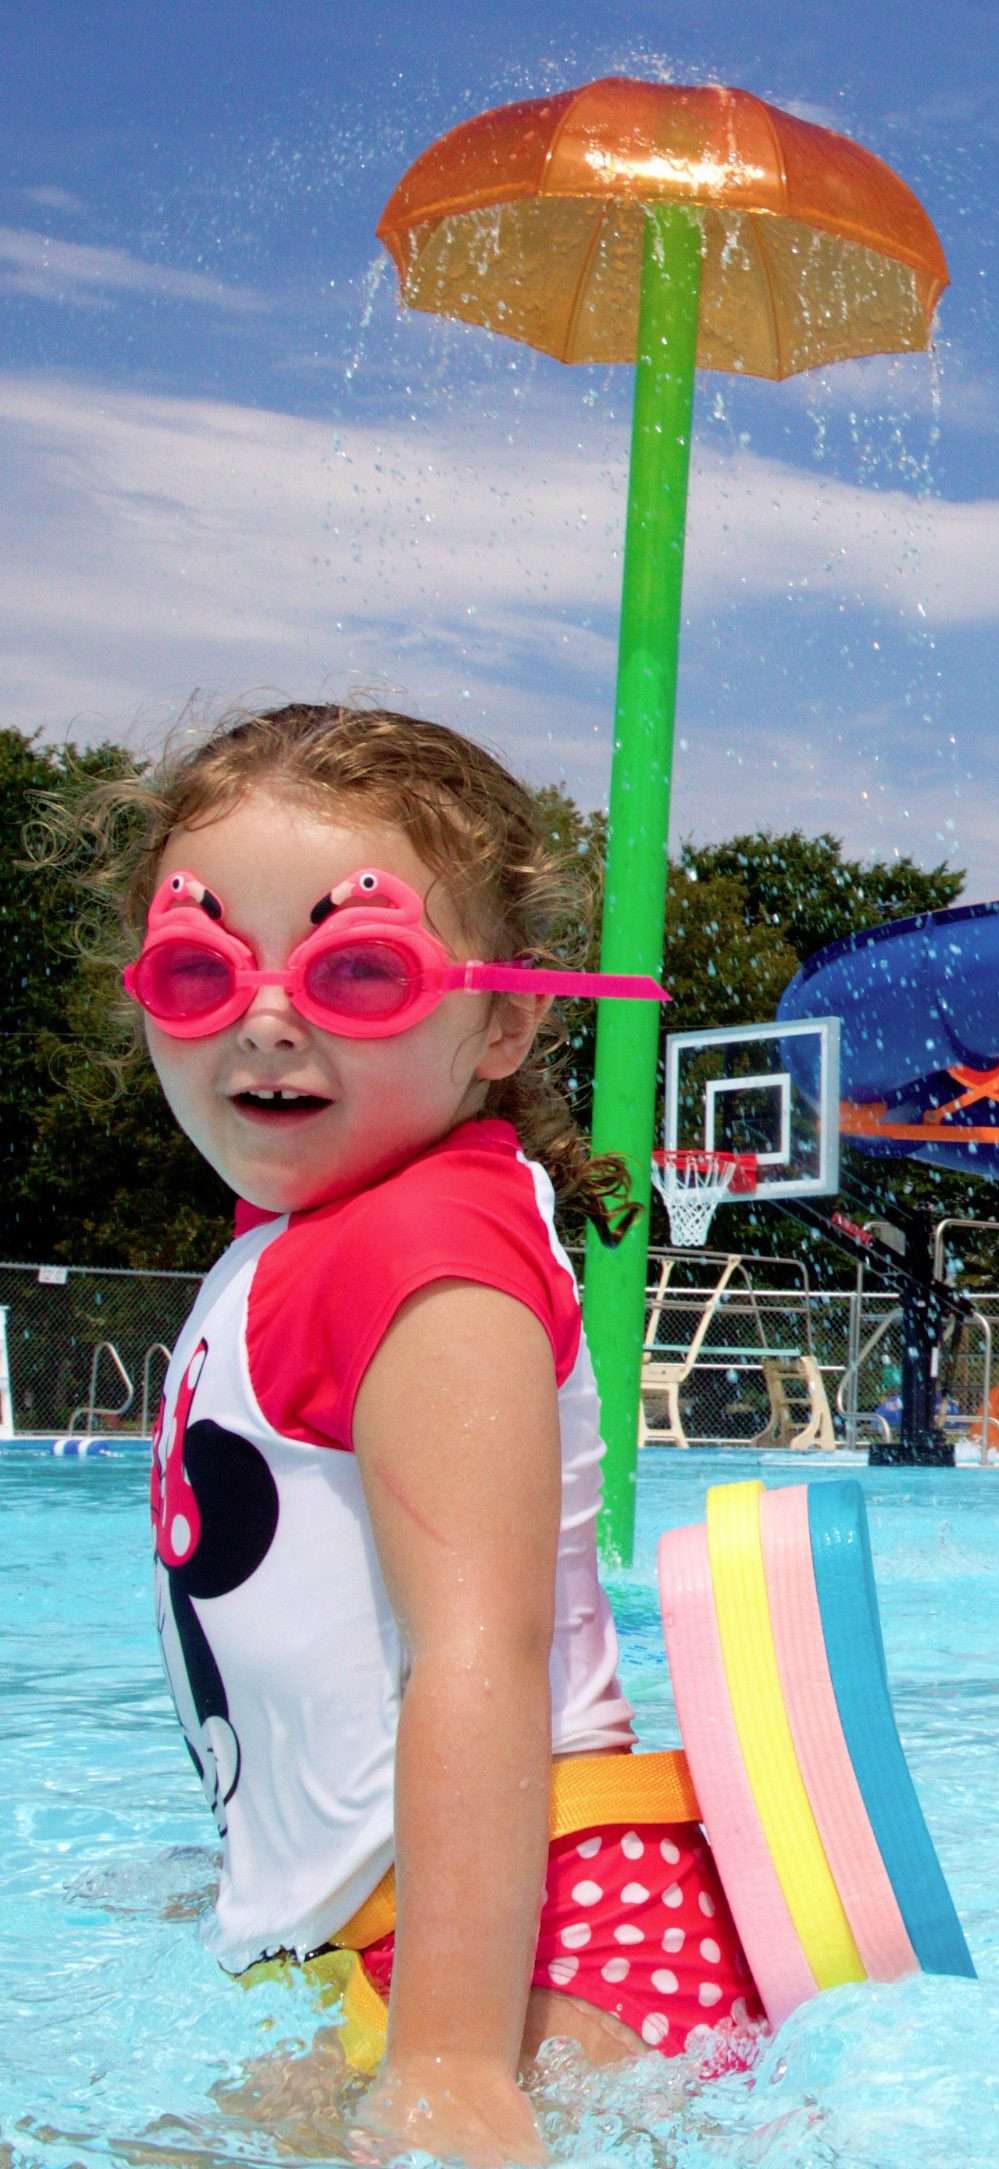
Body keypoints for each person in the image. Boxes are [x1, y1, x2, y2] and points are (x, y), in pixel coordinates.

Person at [48, 703, 763, 2164]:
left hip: (536, 1956)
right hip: (431, 1933)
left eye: (354, 970)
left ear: (503, 1020)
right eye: (200, 969)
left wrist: (449, 2061)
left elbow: (476, 1653)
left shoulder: (425, 1252)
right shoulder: (306, 1240)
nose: (264, 1016)